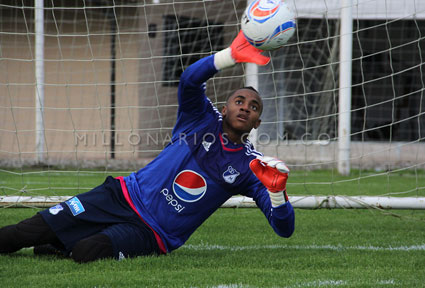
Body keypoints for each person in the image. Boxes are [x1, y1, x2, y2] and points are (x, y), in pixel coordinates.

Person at [0, 31, 295, 263]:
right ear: (224, 107)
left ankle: (62, 243)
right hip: (119, 195)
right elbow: (190, 81)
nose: (245, 108)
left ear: (258, 123)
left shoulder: (252, 166)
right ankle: (54, 239)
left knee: (86, 252)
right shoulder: (200, 118)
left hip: (152, 232)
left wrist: (277, 193)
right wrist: (229, 55)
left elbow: (284, 229)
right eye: (239, 101)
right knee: (24, 232)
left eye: (254, 107)